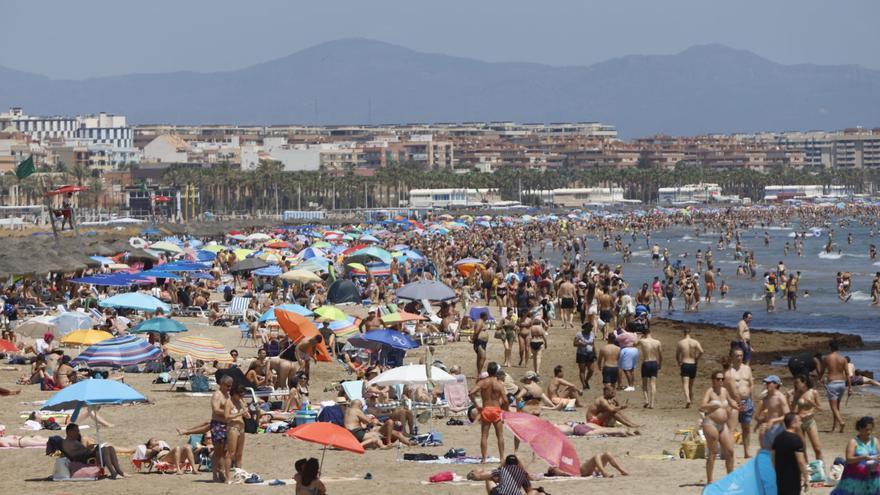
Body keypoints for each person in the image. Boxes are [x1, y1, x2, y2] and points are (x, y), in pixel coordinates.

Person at [700, 371, 739, 484]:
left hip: (723, 425)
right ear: (713, 380)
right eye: (718, 379)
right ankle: (710, 480)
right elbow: (702, 406)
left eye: (722, 379)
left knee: (730, 451)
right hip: (710, 423)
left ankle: (730, 478)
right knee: (713, 452)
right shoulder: (710, 391)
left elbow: (730, 401)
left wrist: (735, 405)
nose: (721, 381)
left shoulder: (725, 391)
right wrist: (712, 405)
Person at [468, 361, 508, 463]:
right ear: (497, 371)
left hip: (486, 409)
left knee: (484, 435)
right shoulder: (499, 384)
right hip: (496, 410)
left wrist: (477, 405)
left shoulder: (483, 382)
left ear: (488, 371)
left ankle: (484, 458)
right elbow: (506, 400)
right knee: (500, 435)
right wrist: (505, 410)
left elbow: (471, 392)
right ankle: (502, 457)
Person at [830, 416, 880, 495]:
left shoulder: (875, 441)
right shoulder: (853, 442)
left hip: (872, 477)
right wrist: (863, 457)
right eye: (866, 429)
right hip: (855, 478)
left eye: (870, 429)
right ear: (860, 428)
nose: (869, 432)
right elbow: (849, 459)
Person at [62, 423, 126, 479]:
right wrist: (87, 448)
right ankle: (113, 473)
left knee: (110, 448)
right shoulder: (67, 442)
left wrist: (89, 447)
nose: (78, 432)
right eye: (76, 430)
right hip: (85, 459)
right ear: (70, 431)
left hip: (88, 454)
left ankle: (119, 472)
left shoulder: (77, 438)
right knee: (104, 449)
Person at [726, 347, 754, 458]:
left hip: (747, 401)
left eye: (741, 355)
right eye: (737, 355)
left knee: (746, 428)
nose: (739, 358)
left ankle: (746, 452)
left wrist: (751, 399)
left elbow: (751, 384)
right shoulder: (729, 372)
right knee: (732, 428)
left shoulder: (747, 369)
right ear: (731, 357)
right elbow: (725, 389)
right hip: (734, 403)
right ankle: (730, 452)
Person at [789, 374, 824, 465]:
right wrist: (791, 399)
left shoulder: (813, 392)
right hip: (799, 422)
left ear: (804, 382)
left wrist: (812, 403)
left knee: (817, 448)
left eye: (797, 383)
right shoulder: (796, 394)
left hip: (810, 421)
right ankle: (806, 468)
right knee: (802, 448)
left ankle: (821, 469)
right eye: (795, 383)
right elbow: (792, 410)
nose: (796, 385)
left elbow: (820, 408)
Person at [772, 412, 810, 495]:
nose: (801, 423)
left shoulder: (778, 438)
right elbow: (801, 461)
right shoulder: (796, 439)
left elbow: (773, 458)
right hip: (792, 478)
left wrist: (775, 473)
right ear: (793, 423)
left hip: (780, 477)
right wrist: (806, 478)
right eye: (799, 421)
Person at [468, 454, 539, 495]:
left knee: (489, 479)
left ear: (506, 462)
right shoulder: (523, 473)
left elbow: (480, 477)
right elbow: (529, 490)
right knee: (534, 492)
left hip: (500, 494)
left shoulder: (502, 469)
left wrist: (472, 474)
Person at [821, 340, 852, 433]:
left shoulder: (827, 358)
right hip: (842, 383)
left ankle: (841, 422)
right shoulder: (843, 359)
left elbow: (822, 371)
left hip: (832, 383)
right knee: (837, 407)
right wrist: (850, 387)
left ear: (830, 347)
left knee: (833, 407)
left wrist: (820, 378)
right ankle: (834, 427)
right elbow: (847, 374)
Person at [756, 375, 791, 450]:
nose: (766, 384)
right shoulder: (766, 398)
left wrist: (773, 420)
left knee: (778, 454)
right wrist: (761, 421)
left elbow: (787, 416)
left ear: (776, 384)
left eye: (769, 383)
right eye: (766, 383)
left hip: (778, 429)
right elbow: (757, 417)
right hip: (768, 428)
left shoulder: (780, 397)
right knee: (766, 452)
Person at [224, 384, 249, 482]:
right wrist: (239, 413)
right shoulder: (229, 402)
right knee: (231, 453)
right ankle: (227, 477)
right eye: (240, 395)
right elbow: (226, 416)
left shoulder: (240, 401)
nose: (241, 397)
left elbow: (245, 414)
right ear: (234, 393)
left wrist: (247, 414)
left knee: (239, 454)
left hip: (242, 428)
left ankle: (239, 474)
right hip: (233, 428)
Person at [210, 375, 232, 483]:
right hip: (218, 425)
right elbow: (215, 410)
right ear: (222, 384)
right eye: (228, 386)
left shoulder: (227, 394)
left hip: (226, 425)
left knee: (225, 451)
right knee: (218, 451)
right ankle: (215, 475)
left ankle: (223, 473)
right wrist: (229, 413)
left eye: (230, 386)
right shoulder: (217, 395)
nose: (229, 388)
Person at [676, 327, 704, 408]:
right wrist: (697, 358)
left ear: (684, 333)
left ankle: (688, 399)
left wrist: (678, 362)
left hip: (685, 363)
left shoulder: (680, 343)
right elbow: (702, 351)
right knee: (691, 385)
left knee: (685, 384)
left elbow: (677, 355)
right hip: (693, 364)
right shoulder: (695, 342)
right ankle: (690, 402)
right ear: (690, 332)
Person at [638, 327, 662, 409]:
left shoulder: (642, 341)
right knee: (653, 384)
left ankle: (646, 400)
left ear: (644, 334)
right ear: (650, 332)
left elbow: (634, 344)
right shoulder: (657, 342)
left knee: (644, 384)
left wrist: (640, 337)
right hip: (654, 362)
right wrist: (660, 364)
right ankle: (652, 403)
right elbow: (660, 355)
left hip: (646, 362)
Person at [573, 323, 596, 390]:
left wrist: (595, 353)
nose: (590, 329)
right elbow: (574, 343)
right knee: (582, 370)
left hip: (590, 353)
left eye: (591, 328)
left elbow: (593, 344)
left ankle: (586, 380)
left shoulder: (592, 334)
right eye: (589, 328)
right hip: (581, 354)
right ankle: (583, 384)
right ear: (585, 328)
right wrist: (580, 344)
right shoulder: (579, 334)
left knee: (591, 370)